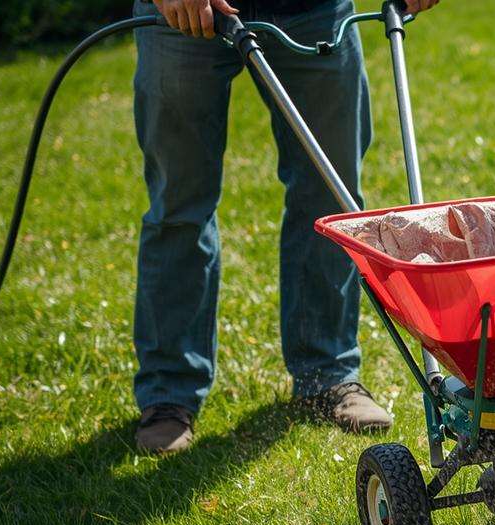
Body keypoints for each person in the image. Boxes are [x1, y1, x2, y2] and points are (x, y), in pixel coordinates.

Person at [131, 0, 439, 453]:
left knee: (331, 196)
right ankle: (168, 395)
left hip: (313, 10)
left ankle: (326, 374)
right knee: (180, 202)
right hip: (185, 17)